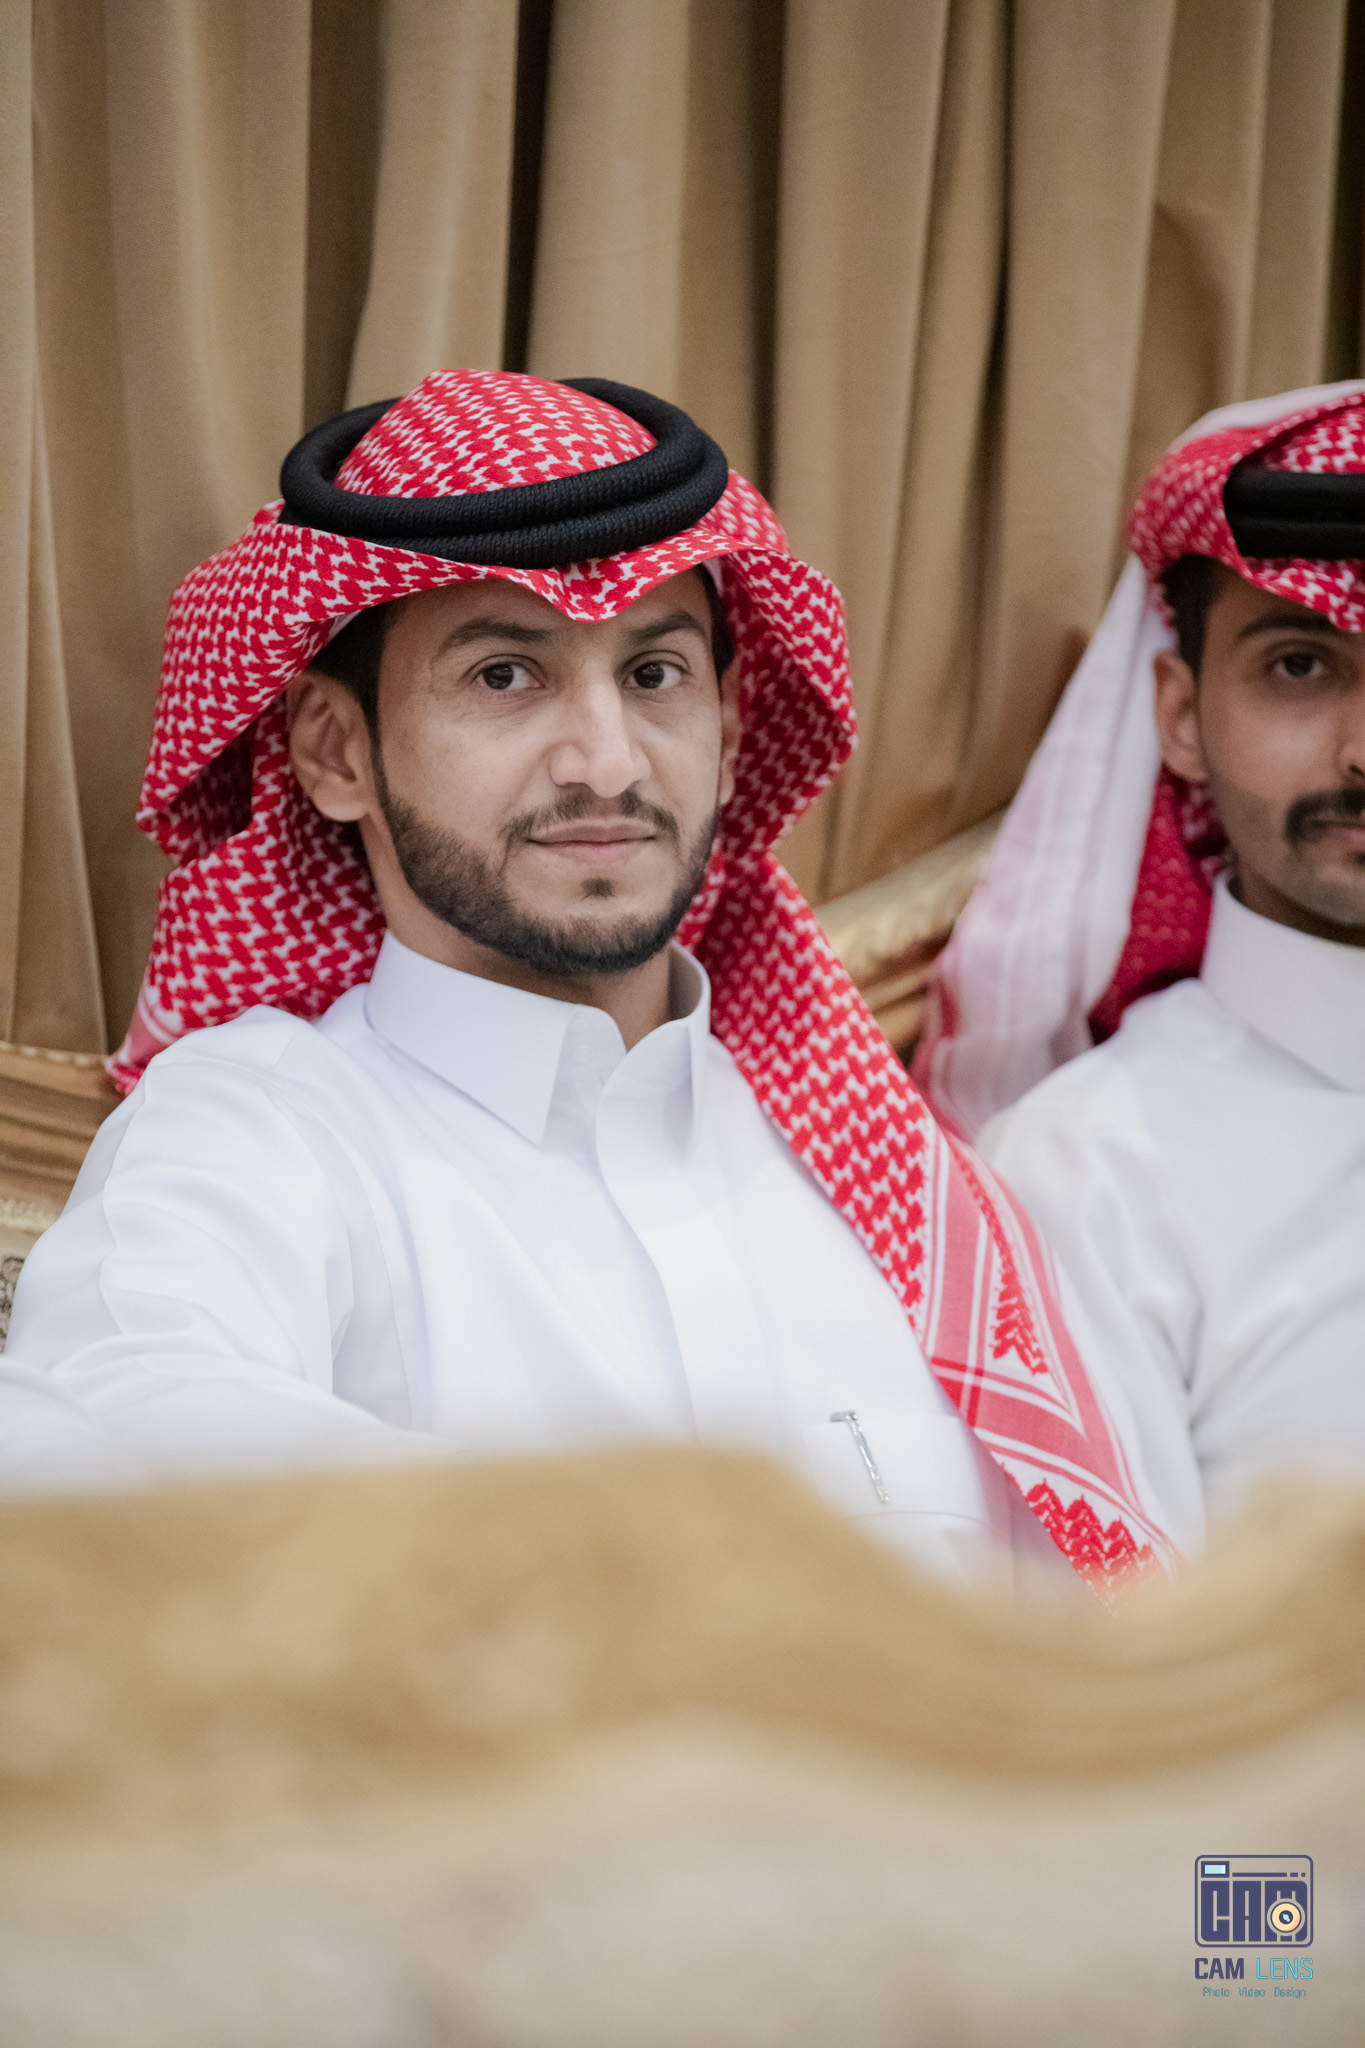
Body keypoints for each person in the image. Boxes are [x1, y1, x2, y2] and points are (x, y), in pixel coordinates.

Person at [1, 370, 1167, 1591]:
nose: (607, 762)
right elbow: (95, 1454)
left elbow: (1114, 1638)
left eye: (656, 674)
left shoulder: (914, 1210)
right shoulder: (255, 1129)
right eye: (506, 675)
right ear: (336, 752)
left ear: (730, 724)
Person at [918, 381, 1365, 1554]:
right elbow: (1117, 1652)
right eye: (1301, 665)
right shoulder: (1088, 1174)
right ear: (1180, 714)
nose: (1364, 748)